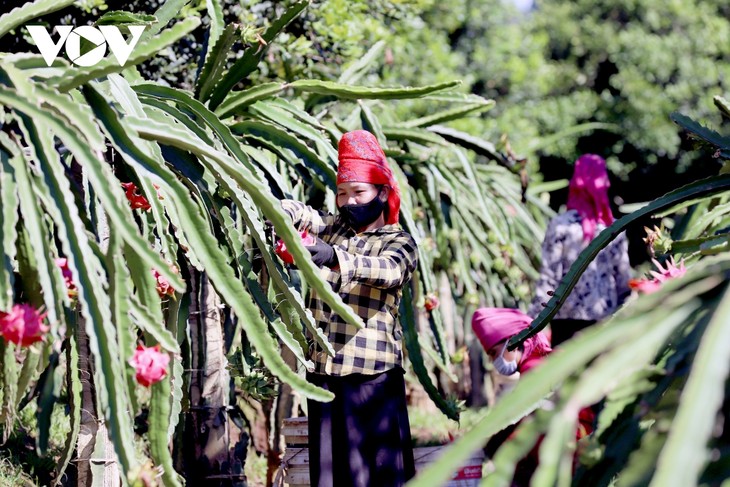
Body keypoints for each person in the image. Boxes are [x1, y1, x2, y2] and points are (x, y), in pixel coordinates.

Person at [278, 130, 418, 487]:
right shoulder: (335, 227)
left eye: (359, 193)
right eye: (343, 193)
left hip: (371, 376)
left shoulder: (398, 241)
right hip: (325, 372)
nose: (350, 202)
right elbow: (305, 215)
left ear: (382, 193)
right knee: (331, 475)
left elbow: (389, 272)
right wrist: (279, 210)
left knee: (377, 476)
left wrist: (335, 258)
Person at [471, 307, 594, 486]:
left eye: (493, 352)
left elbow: (518, 416)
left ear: (513, 341)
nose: (492, 361)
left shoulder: (534, 368)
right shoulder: (548, 357)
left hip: (564, 453)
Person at [528, 154, 631, 346]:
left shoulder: (560, 225)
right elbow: (623, 279)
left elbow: (549, 277)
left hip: (564, 319)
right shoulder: (613, 229)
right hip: (604, 319)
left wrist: (531, 322)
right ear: (604, 183)